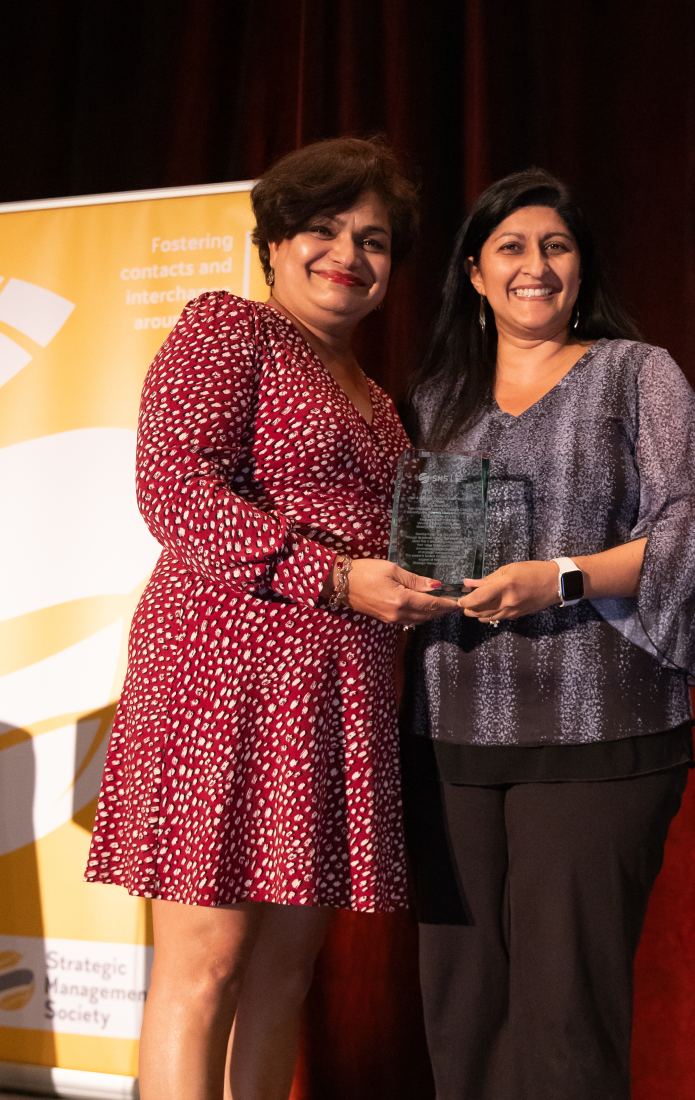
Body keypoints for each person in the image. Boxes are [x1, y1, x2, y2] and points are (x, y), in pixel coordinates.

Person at [85, 136, 455, 1100]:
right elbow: (174, 492)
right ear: (275, 242)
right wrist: (332, 579)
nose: (349, 254)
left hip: (337, 691)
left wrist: (431, 587)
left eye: (373, 240)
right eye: (323, 230)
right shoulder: (226, 329)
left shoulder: (379, 401)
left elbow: (396, 537)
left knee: (286, 972)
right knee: (204, 966)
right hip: (223, 674)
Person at [400, 168, 695, 1100]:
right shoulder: (433, 397)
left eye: (557, 246)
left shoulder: (637, 372)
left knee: (564, 1021)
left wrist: (562, 578)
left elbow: (685, 533)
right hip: (446, 735)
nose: (535, 266)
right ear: (472, 271)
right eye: (512, 246)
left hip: (598, 732)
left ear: (580, 267)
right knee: (459, 1012)